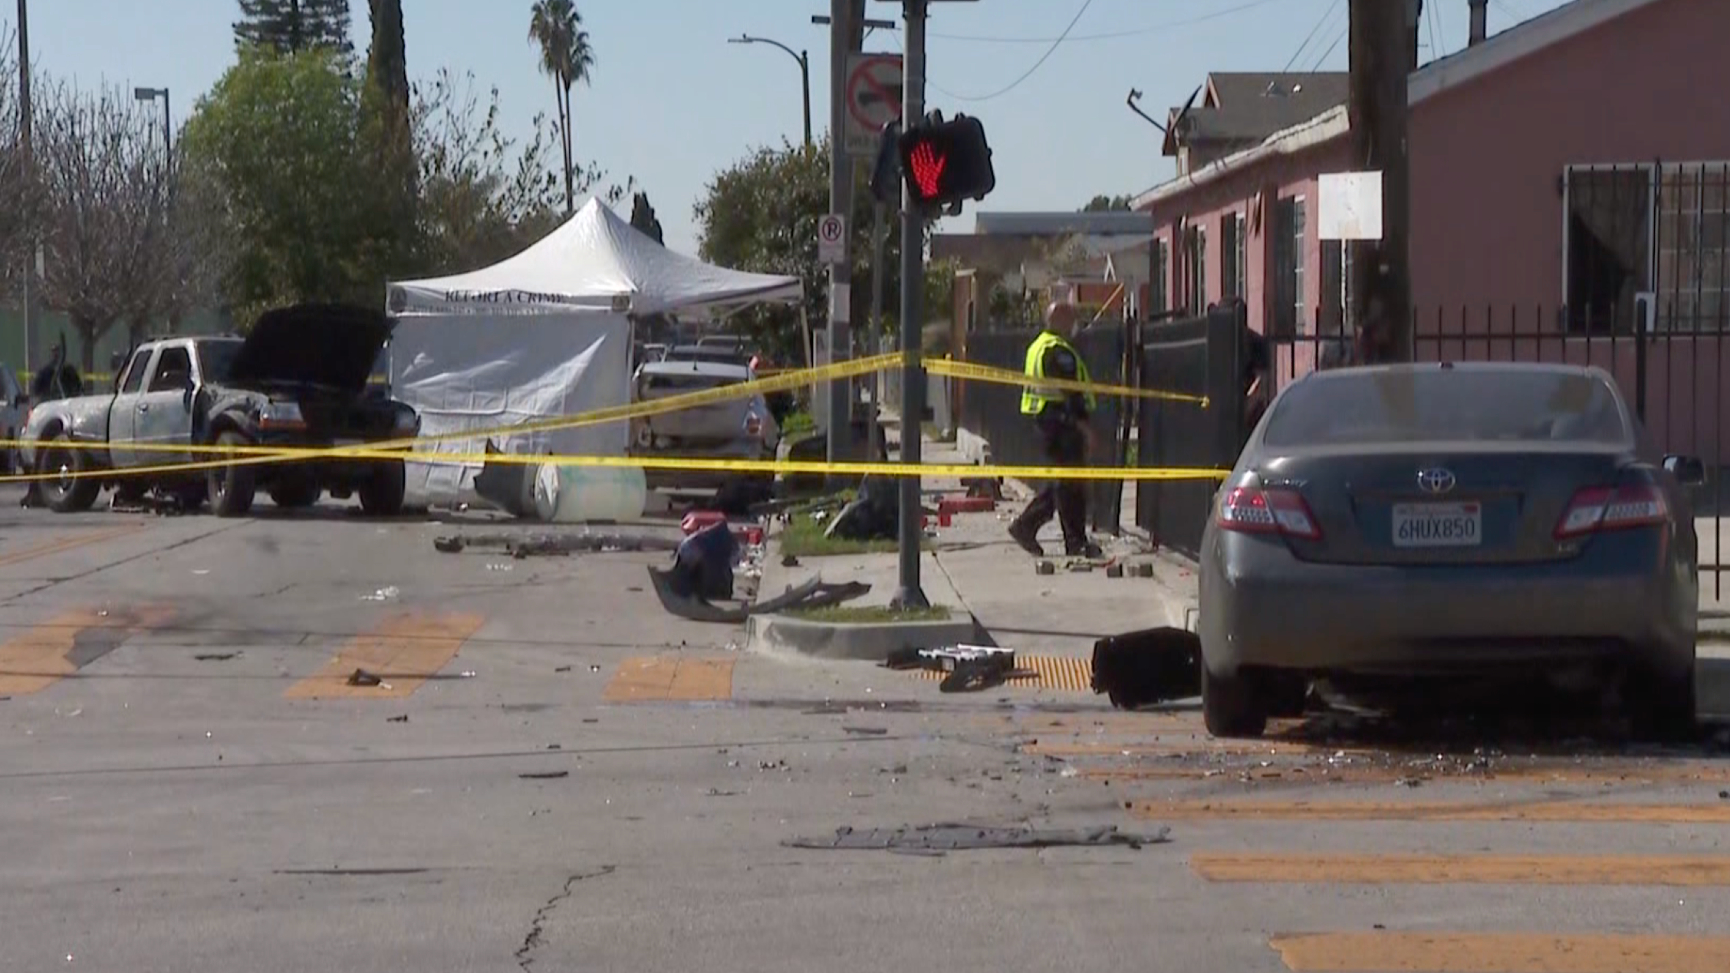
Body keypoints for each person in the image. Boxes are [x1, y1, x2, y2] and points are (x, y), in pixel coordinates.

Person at [1007, 301, 1103, 559]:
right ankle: (1069, 539)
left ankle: (1031, 527)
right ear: (1059, 318)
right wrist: (1084, 428)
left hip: (1048, 422)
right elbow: (1070, 393)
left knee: (1064, 482)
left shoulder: (1038, 346)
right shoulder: (1057, 350)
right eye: (1072, 318)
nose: (1075, 324)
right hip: (1062, 423)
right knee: (1070, 483)